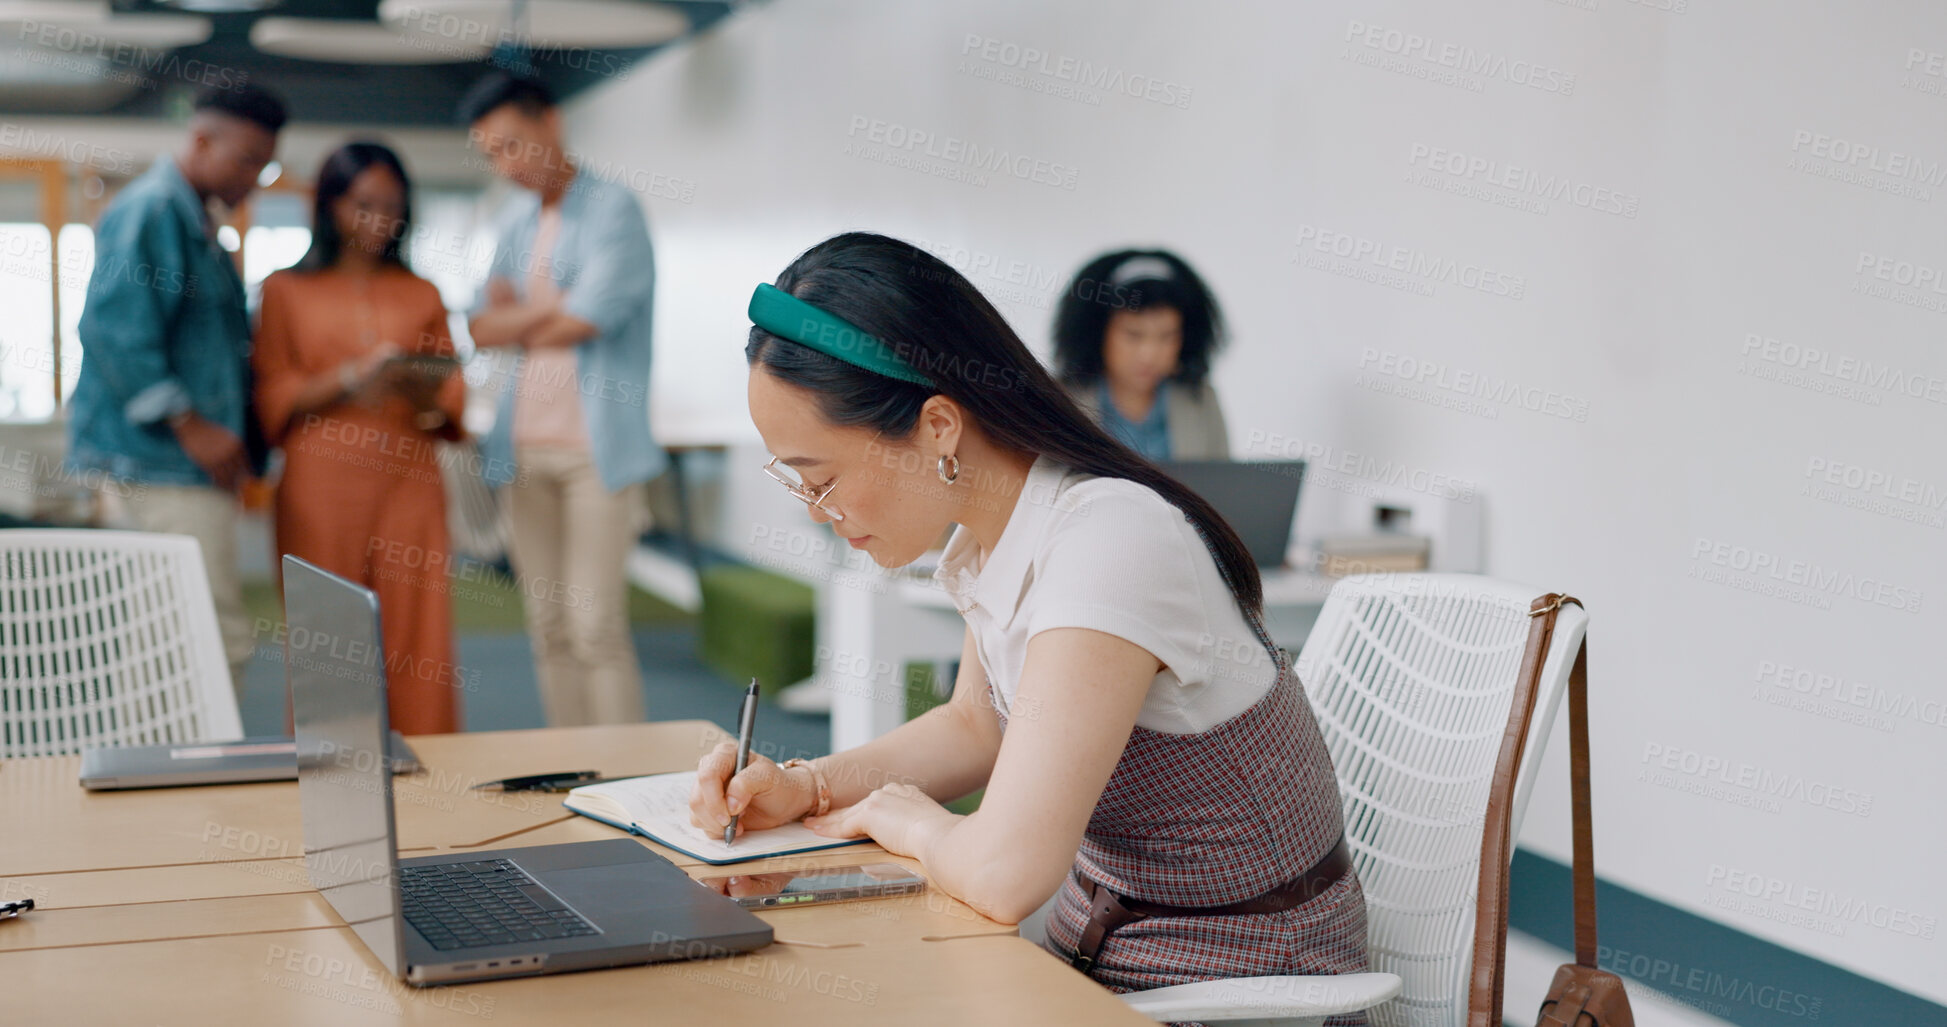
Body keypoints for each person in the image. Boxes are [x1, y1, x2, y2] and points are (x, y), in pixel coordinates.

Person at [689, 233, 1368, 1021]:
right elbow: (978, 726)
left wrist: (905, 817)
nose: (817, 511)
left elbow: (1006, 873)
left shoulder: (1107, 539)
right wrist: (805, 786)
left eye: (822, 478)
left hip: (1239, 987)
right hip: (1106, 959)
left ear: (937, 425)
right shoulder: (1002, 525)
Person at [67, 83, 287, 696]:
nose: (254, 176)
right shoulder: (155, 209)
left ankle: (164, 779)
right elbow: (112, 331)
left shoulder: (193, 219)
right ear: (199, 139)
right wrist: (191, 425)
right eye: (246, 158)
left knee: (164, 636)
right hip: (167, 461)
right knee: (207, 638)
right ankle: (196, 786)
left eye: (264, 164)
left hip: (173, 462)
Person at [459, 73, 665, 728]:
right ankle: (573, 769)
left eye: (514, 144)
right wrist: (545, 313)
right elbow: (477, 324)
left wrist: (519, 317)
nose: (506, 164)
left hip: (593, 453)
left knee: (594, 624)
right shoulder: (516, 220)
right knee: (546, 624)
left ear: (552, 122)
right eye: (492, 154)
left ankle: (627, 781)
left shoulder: (614, 209)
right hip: (521, 448)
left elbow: (590, 318)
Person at [252, 142, 466, 735]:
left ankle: (429, 771)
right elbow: (271, 391)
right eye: (363, 205)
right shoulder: (283, 291)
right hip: (319, 479)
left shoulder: (422, 292)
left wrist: (417, 384)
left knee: (418, 632)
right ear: (329, 205)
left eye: (392, 207)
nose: (378, 222)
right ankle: (330, 773)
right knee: (329, 631)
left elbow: (449, 398)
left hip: (409, 476)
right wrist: (349, 375)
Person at [1052, 249, 1230, 461]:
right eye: (1133, 335)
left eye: (1166, 336)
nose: (1149, 355)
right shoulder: (1060, 402)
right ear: (1098, 333)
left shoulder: (1201, 400)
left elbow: (1220, 487)